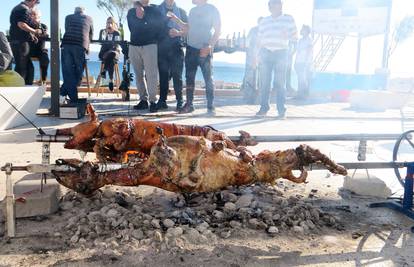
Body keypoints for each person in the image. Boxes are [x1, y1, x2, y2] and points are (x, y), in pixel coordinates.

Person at [169, 0, 221, 115]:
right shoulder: (192, 11)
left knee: (208, 79)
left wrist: (210, 46)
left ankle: (211, 106)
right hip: (191, 49)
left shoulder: (212, 9)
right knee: (189, 78)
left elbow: (218, 30)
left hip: (204, 49)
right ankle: (189, 105)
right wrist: (176, 20)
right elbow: (188, 28)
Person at [255, 0, 297, 119]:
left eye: (278, 4)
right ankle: (264, 109)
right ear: (269, 7)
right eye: (273, 5)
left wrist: (288, 35)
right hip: (265, 53)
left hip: (281, 53)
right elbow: (259, 39)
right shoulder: (264, 21)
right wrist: (257, 55)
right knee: (265, 83)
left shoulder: (288, 19)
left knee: (280, 83)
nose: (276, 7)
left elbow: (295, 36)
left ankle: (281, 111)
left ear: (281, 6)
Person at [127, 0, 165, 113]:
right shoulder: (131, 11)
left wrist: (144, 16)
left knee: (151, 74)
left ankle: (153, 101)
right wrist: (140, 14)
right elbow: (132, 27)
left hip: (150, 45)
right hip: (134, 46)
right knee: (138, 75)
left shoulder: (155, 10)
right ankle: (143, 100)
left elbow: (160, 27)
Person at [156, 0, 187, 111]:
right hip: (162, 47)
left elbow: (187, 29)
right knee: (163, 76)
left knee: (177, 76)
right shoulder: (158, 10)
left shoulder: (182, 12)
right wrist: (167, 31)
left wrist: (178, 33)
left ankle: (180, 101)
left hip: (177, 47)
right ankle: (162, 101)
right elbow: (155, 27)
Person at [60, 6, 93, 103]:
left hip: (67, 44)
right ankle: (72, 98)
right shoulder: (89, 18)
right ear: (83, 12)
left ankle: (63, 93)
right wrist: (88, 47)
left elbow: (67, 29)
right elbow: (91, 34)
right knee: (78, 72)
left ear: (75, 12)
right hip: (80, 45)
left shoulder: (68, 17)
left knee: (68, 72)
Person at [9, 0, 41, 85]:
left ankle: (25, 88)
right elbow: (21, 24)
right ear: (33, 1)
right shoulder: (23, 9)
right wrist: (34, 31)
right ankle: (19, 90)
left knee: (28, 68)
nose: (34, 7)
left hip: (17, 41)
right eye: (35, 4)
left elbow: (19, 26)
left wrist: (31, 34)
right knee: (22, 68)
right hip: (21, 42)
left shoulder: (18, 8)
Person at [241, 17, 262, 104]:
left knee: (256, 77)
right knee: (251, 77)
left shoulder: (261, 31)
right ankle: (249, 97)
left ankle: (253, 97)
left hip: (259, 57)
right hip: (252, 56)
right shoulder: (254, 30)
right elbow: (248, 42)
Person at [98, 17, 121, 92]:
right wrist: (105, 33)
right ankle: (111, 80)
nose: (109, 24)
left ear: (114, 24)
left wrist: (109, 51)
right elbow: (100, 42)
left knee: (112, 55)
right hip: (104, 52)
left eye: (111, 22)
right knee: (110, 60)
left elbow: (117, 45)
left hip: (114, 52)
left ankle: (104, 70)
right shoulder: (103, 31)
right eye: (108, 22)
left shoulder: (117, 33)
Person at [28, 8, 49, 85]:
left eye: (34, 15)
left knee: (45, 59)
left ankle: (43, 80)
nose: (32, 17)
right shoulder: (27, 26)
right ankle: (27, 81)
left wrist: (35, 33)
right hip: (28, 50)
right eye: (30, 15)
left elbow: (44, 35)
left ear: (39, 16)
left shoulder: (43, 26)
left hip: (40, 50)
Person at [294, 25, 313, 99]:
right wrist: (295, 62)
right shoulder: (300, 40)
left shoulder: (309, 40)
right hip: (298, 62)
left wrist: (305, 61)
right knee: (300, 78)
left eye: (302, 29)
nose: (301, 30)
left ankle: (304, 95)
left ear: (307, 31)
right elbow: (298, 52)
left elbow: (309, 50)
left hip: (305, 62)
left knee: (304, 78)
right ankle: (300, 94)